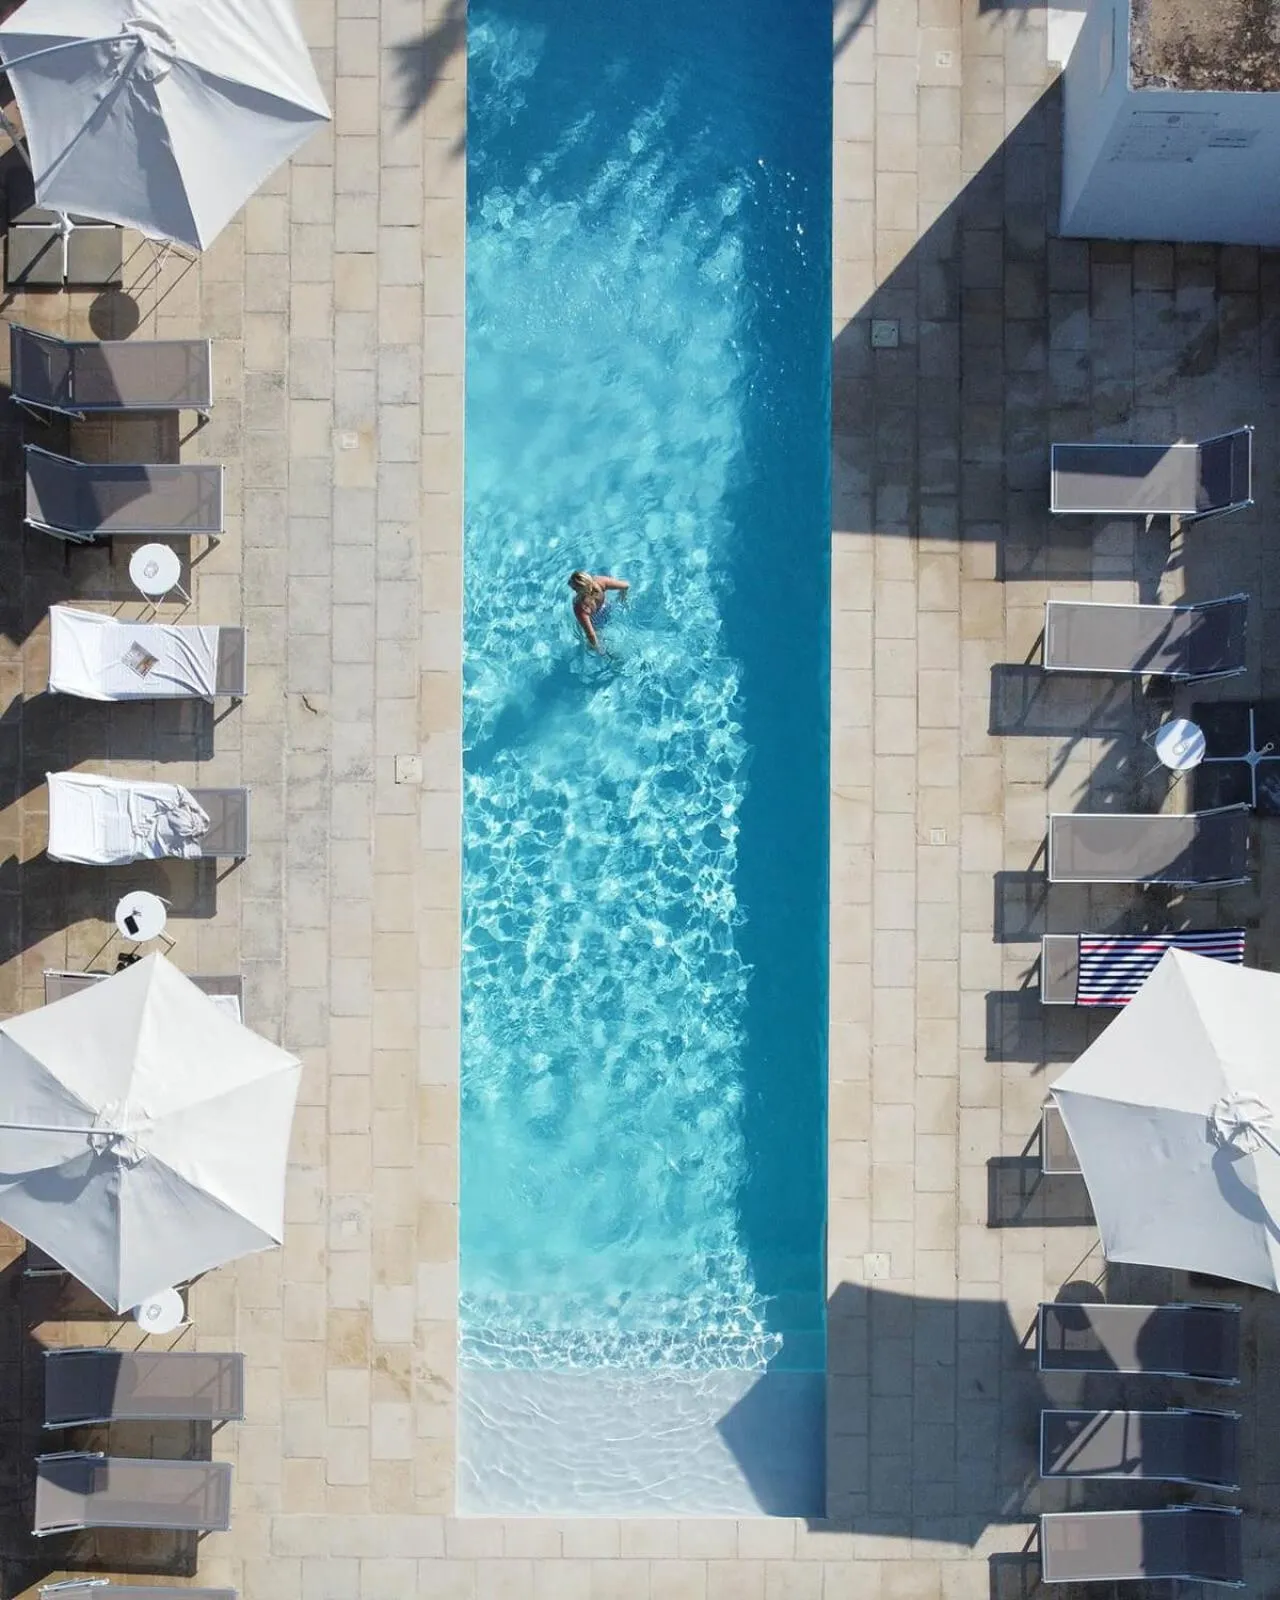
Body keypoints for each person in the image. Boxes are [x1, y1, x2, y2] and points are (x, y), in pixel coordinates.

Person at [568, 570, 629, 651]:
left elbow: (591, 634)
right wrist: (622, 598)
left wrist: (598, 650)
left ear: (579, 590)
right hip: (607, 608)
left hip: (596, 621)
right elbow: (626, 586)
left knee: (586, 643)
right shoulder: (599, 581)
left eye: (575, 589)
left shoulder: (580, 607)